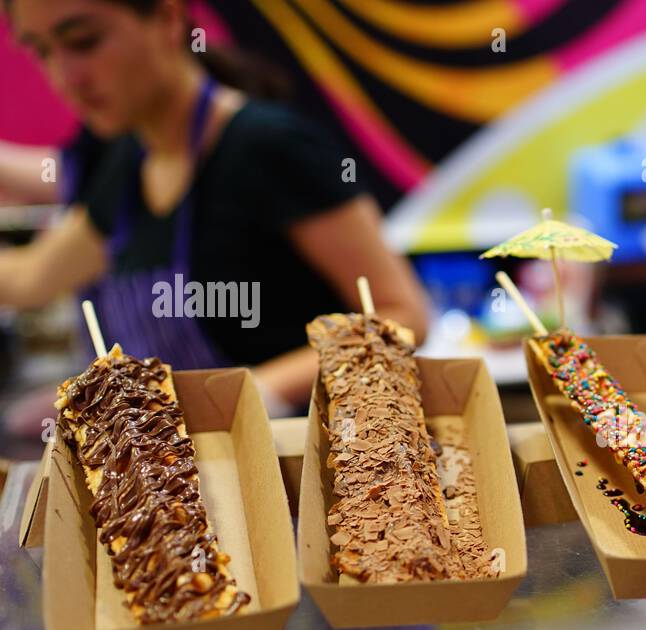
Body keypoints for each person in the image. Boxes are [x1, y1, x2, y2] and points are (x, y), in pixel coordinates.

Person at [0, 0, 429, 417]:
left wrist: (251, 395)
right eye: (40, 50)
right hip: (182, 472)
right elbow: (30, 278)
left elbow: (402, 315)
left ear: (167, 18)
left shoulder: (267, 145)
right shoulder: (126, 164)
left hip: (300, 463)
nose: (64, 77)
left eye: (84, 41)